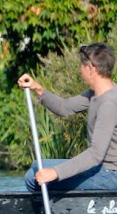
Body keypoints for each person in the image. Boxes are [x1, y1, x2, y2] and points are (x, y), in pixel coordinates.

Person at [18, 42, 117, 191]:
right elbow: (65, 107)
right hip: (99, 169)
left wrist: (56, 172)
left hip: (109, 175)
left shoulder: (109, 103)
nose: (79, 71)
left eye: (81, 67)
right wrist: (36, 88)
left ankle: (63, 213)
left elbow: (95, 154)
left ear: (91, 68)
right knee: (36, 166)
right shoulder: (95, 95)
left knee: (33, 178)